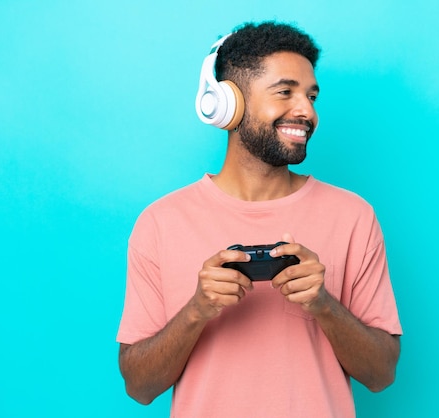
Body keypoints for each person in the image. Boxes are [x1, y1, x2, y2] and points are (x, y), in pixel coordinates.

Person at [116, 21, 402, 418]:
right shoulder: (161, 222)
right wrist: (197, 309)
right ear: (225, 103)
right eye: (285, 92)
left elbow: (381, 374)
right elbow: (139, 387)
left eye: (312, 96)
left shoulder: (354, 216)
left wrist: (322, 304)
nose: (307, 112)